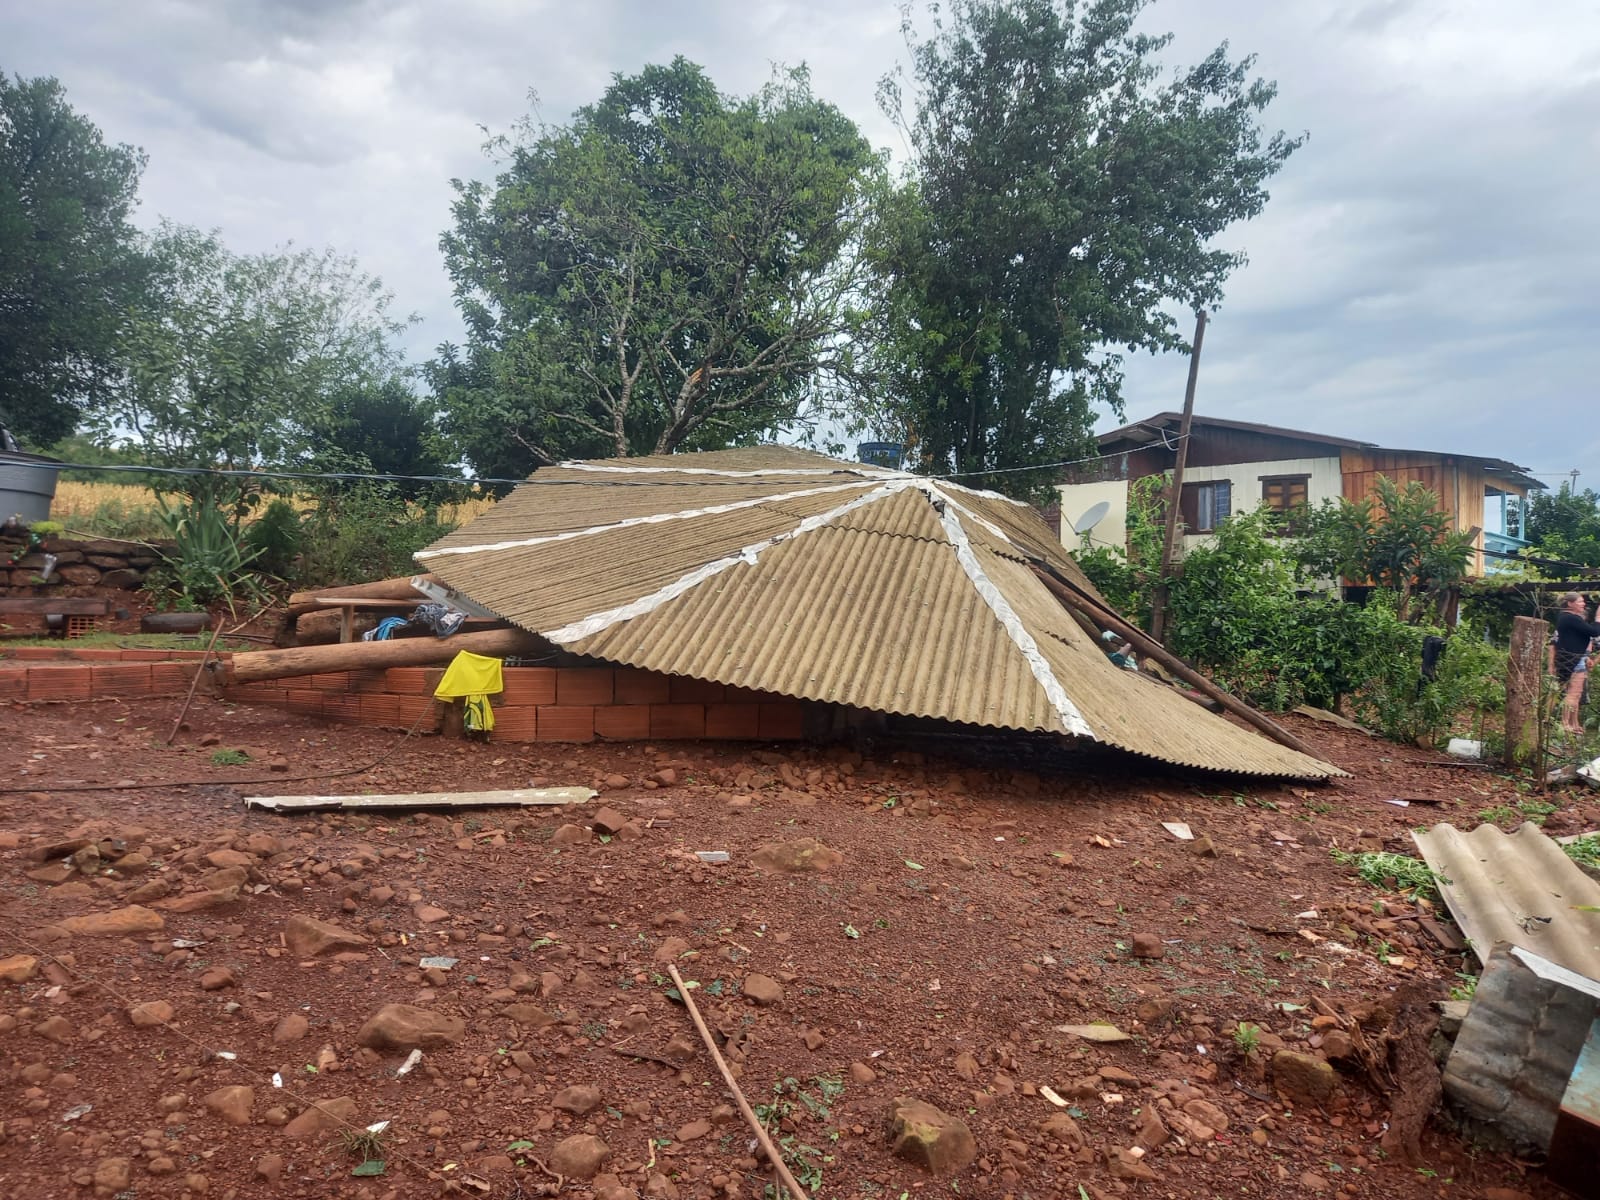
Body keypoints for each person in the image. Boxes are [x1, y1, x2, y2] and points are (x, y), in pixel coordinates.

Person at [1552, 591, 1600, 735]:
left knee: (1577, 693)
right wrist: (1598, 618)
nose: (1583, 604)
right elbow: (1593, 631)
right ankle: (1565, 723)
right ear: (1570, 604)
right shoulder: (1570, 618)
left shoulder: (1569, 618)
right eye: (1580, 601)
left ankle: (1573, 723)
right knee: (1572, 693)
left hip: (1577, 657)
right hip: (1572, 658)